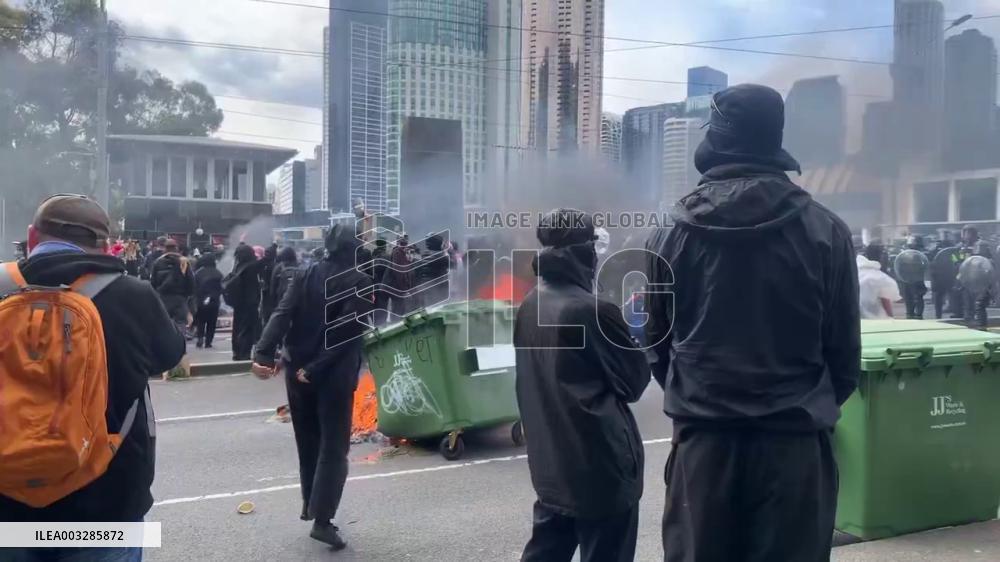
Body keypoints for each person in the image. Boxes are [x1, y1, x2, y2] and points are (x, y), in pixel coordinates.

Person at [645, 84, 860, 562]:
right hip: (795, 451)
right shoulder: (827, 231)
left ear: (718, 140)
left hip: (704, 447)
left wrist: (699, 396)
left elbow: (656, 345)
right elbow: (844, 359)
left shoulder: (669, 234)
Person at [0, 194, 185, 562]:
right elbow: (169, 355)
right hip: (105, 503)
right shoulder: (134, 296)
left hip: (8, 503)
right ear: (104, 246)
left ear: (32, 236)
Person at [515, 209, 649, 562]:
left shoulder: (530, 304)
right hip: (601, 468)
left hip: (551, 466)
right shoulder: (594, 311)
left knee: (545, 552)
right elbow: (634, 382)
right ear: (583, 252)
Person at [251, 224, 373, 551]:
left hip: (297, 372)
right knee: (333, 449)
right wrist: (315, 369)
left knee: (308, 443)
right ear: (352, 249)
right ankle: (322, 519)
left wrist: (264, 352)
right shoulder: (360, 282)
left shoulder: (305, 275)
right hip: (329, 376)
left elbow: (282, 313)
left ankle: (311, 504)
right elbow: (346, 334)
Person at [223, 244, 263, 361]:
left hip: (238, 302)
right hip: (250, 302)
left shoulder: (237, 267)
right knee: (248, 328)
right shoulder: (252, 266)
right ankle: (244, 352)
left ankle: (236, 352)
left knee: (237, 328)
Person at [150, 239, 195, 336]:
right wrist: (187, 295)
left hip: (163, 297)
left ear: (165, 249)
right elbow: (190, 281)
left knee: (163, 323)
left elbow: (153, 282)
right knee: (180, 323)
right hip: (179, 298)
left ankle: (165, 346)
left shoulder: (158, 262)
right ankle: (180, 346)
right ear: (176, 248)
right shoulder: (184, 262)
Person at [858, 243, 900, 319]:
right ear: (881, 257)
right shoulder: (881, 279)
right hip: (877, 321)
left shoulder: (856, 271)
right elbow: (886, 304)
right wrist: (891, 319)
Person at [193, 253, 224, 349]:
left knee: (201, 321)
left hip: (201, 301)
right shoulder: (218, 273)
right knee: (212, 322)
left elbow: (194, 287)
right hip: (214, 301)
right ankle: (208, 341)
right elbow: (221, 288)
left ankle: (200, 338)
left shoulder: (199, 273)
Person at [899, 235, 929, 320]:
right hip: (906, 279)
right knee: (908, 298)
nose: (911, 245)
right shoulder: (905, 254)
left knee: (918, 297)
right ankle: (909, 313)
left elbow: (925, 267)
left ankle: (918, 314)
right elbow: (900, 265)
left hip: (917, 279)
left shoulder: (922, 254)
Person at [267, 246, 300, 321]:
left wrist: (273, 306)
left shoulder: (278, 267)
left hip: (281, 302)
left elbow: (273, 288)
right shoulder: (299, 266)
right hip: (295, 303)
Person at [930, 231, 957, 319]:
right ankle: (938, 314)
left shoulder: (952, 248)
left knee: (953, 294)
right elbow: (932, 260)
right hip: (939, 275)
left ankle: (954, 310)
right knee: (939, 297)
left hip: (949, 274)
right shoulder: (936, 248)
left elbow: (955, 260)